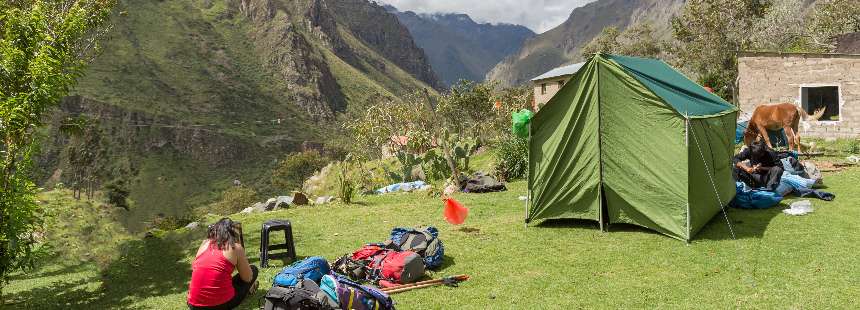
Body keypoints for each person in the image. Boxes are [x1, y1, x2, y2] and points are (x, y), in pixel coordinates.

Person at [188, 218, 259, 309]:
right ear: (233, 233)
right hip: (219, 305)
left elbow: (196, 268)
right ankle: (249, 290)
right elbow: (248, 278)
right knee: (253, 269)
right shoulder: (235, 247)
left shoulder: (204, 243)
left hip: (193, 304)